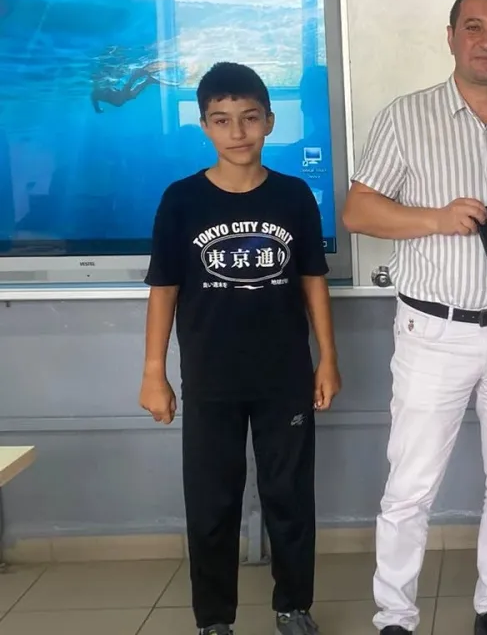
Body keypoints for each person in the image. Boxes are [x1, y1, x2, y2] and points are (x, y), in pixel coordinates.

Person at [341, 0, 487, 635]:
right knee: (411, 486)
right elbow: (358, 211)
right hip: (433, 330)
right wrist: (436, 218)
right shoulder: (405, 117)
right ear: (451, 37)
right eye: (473, 26)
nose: (486, 41)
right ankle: (395, 617)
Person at [138, 61, 341, 635]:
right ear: (204, 125)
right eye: (222, 119)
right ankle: (213, 620)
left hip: (285, 376)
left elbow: (312, 281)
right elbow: (164, 290)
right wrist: (154, 372)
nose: (237, 132)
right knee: (212, 502)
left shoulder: (294, 196)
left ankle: (293, 605)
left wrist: (328, 358)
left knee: (289, 497)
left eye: (250, 118)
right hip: (210, 377)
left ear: (270, 121)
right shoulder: (181, 200)